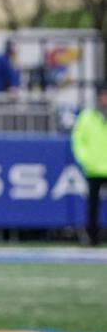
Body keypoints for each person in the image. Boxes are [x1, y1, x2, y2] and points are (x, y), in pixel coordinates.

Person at [72, 84, 107, 247]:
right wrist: (86, 160)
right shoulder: (88, 116)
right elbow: (78, 141)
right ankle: (92, 236)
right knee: (92, 205)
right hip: (94, 168)